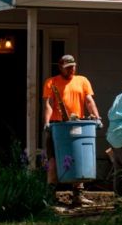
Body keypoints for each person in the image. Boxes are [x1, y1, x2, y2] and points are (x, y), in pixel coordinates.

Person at [42, 54, 101, 206]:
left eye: (73, 67)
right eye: (68, 67)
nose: (72, 70)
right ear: (60, 67)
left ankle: (78, 196)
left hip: (77, 124)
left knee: (77, 158)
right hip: (57, 126)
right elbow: (49, 103)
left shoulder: (82, 80)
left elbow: (89, 101)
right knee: (53, 160)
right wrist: (47, 122)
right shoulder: (52, 82)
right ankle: (50, 196)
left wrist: (97, 117)